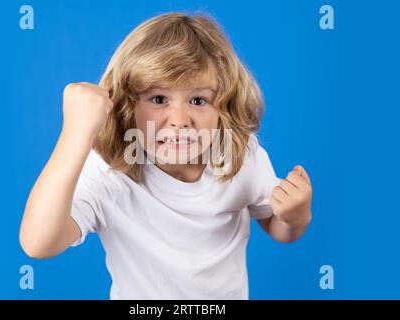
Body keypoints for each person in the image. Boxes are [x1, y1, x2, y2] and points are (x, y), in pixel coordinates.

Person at [19, 12, 313, 299]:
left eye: (198, 100)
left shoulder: (238, 152)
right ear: (126, 106)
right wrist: (75, 134)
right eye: (158, 99)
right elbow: (38, 243)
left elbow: (278, 228)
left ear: (224, 106)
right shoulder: (111, 170)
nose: (180, 119)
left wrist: (295, 217)